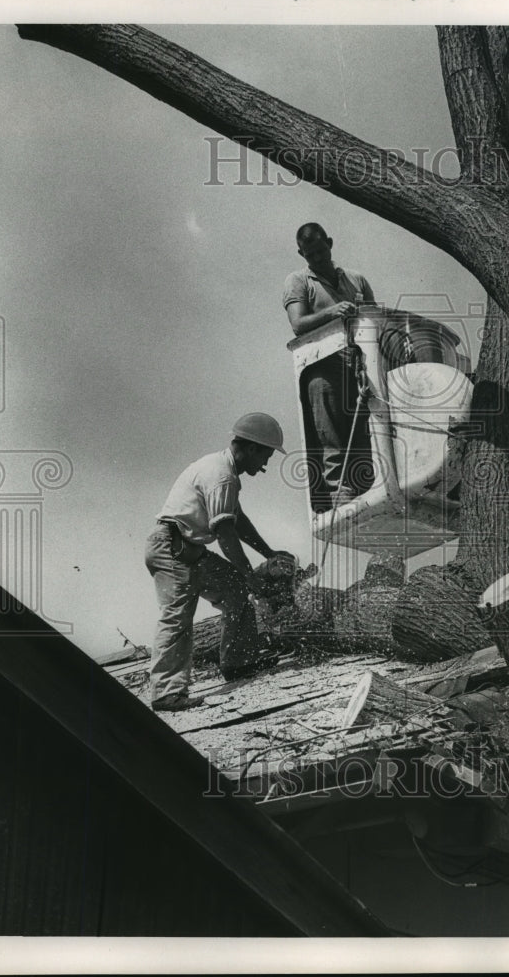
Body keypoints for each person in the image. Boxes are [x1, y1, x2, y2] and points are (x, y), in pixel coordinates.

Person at [144, 412, 291, 711]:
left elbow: (238, 522)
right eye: (265, 456)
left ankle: (238, 663)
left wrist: (269, 553)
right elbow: (225, 533)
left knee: (234, 588)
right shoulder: (222, 476)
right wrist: (251, 574)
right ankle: (166, 693)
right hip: (169, 547)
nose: (264, 465)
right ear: (251, 448)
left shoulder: (223, 470)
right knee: (177, 616)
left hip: (186, 548)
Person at [282, 223, 375, 511]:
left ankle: (367, 487)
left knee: (367, 430)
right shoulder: (299, 280)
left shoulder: (355, 279)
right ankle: (337, 491)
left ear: (330, 244)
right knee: (330, 433)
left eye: (321, 251)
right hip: (323, 368)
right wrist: (333, 312)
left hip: (358, 366)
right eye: (310, 255)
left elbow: (374, 319)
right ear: (302, 253)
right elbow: (298, 324)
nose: (317, 259)